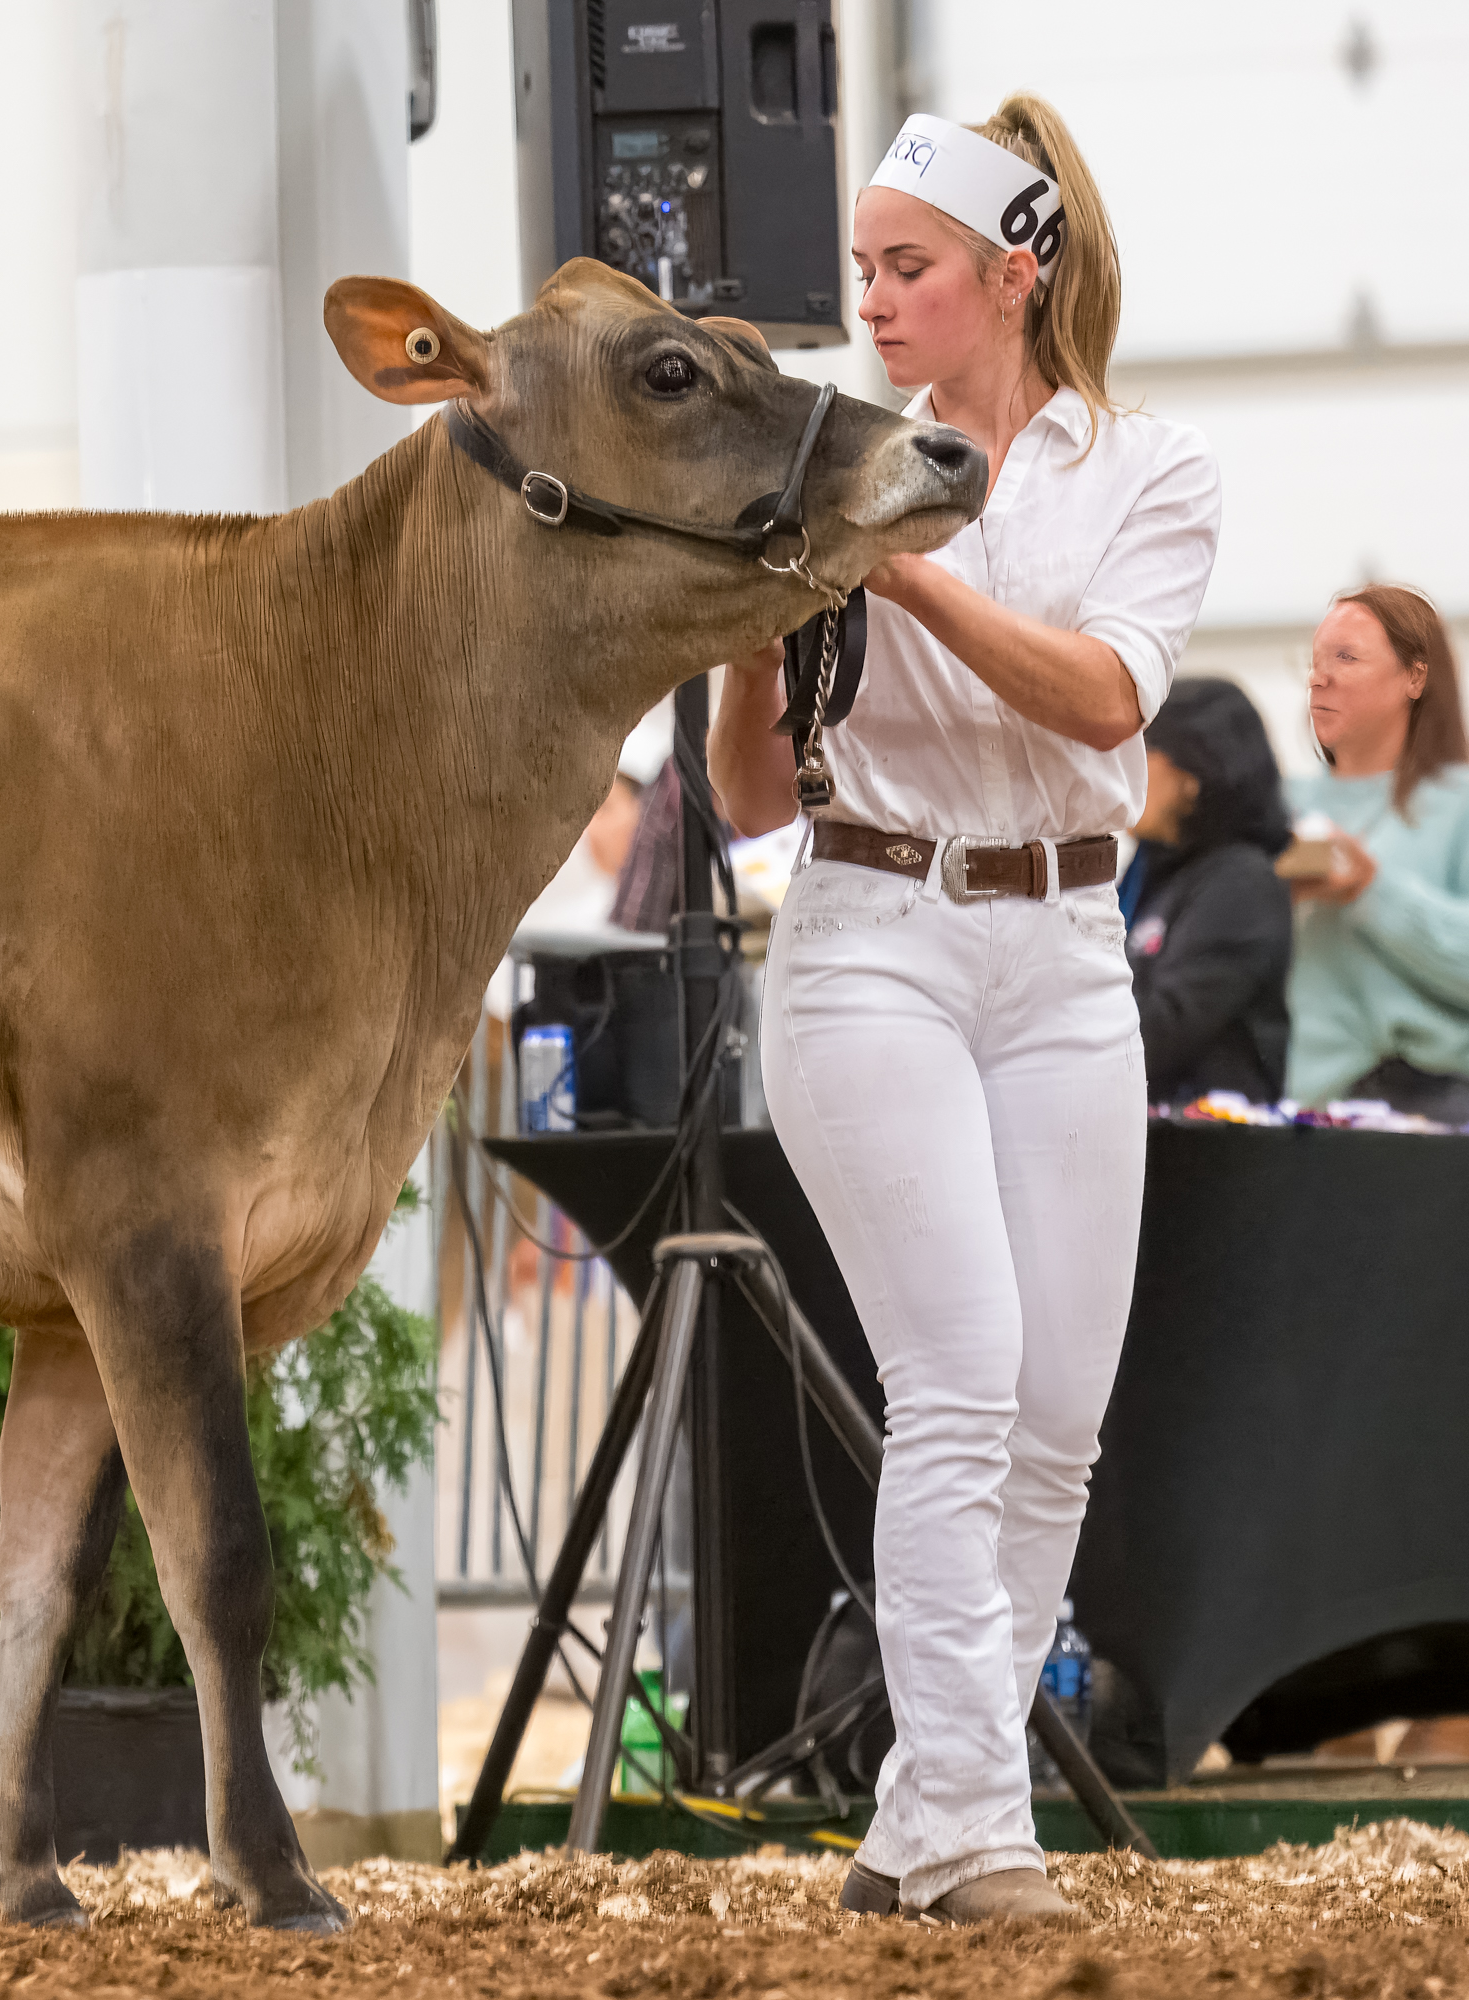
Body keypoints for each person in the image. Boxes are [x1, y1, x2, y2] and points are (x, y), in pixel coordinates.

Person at [709, 97, 1220, 1925]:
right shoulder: (832, 467)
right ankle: (984, 1836)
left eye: (906, 267)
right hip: (872, 935)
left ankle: (920, 1824)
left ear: (1014, 274)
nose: (872, 301)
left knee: (1058, 1416)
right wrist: (752, 640)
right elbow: (750, 801)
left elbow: (1103, 701)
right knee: (963, 1380)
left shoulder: (1148, 470)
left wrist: (895, 562)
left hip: (1070, 947)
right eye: (862, 269)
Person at [1282, 585, 1469, 1120]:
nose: (1319, 678)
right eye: (1315, 661)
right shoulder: (1281, 806)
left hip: (1424, 1111)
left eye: (1346, 657)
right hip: (1299, 1115)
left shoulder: (1459, 803)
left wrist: (1371, 891)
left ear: (1416, 677)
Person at [1122, 677, 1293, 1106]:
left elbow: (1160, 1035)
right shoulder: (1151, 872)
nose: (1121, 770)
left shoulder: (1241, 883)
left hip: (1210, 1140)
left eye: (1141, 751)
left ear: (1193, 772)